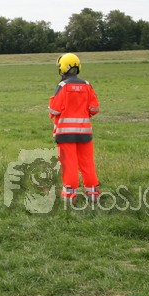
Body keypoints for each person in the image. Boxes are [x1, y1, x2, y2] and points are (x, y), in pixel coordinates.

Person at [48, 53, 100, 202]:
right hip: (85, 133)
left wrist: (52, 101)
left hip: (65, 134)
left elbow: (54, 110)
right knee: (87, 163)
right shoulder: (87, 85)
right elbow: (95, 108)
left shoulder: (63, 86)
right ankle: (93, 194)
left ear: (64, 67)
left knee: (69, 164)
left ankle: (70, 196)